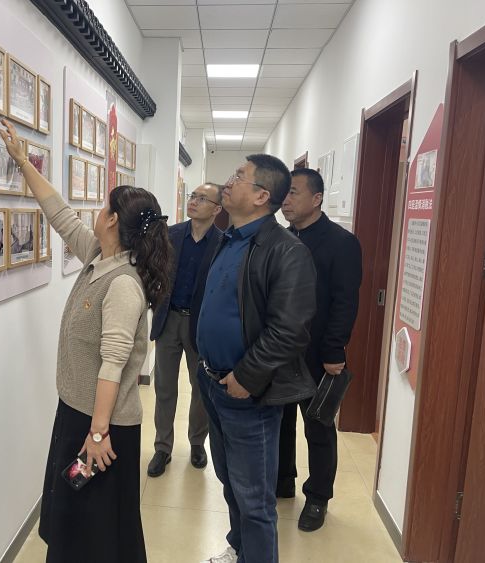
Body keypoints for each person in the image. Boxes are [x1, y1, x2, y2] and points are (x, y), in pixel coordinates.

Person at [0, 118, 171, 563]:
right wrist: (23, 161)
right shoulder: (99, 255)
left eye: (103, 206)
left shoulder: (122, 284)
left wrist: (97, 432)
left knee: (96, 539)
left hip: (102, 426)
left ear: (112, 220)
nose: (95, 211)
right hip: (78, 412)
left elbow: (112, 365)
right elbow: (61, 216)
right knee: (75, 529)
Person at [197, 155, 317, 563]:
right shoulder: (229, 239)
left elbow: (290, 330)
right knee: (230, 483)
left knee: (255, 500)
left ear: (262, 196)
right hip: (212, 383)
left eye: (239, 176)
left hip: (247, 394)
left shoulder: (286, 251)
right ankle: (240, 550)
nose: (229, 182)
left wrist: (246, 377)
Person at [277, 168, 362, 531]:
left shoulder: (341, 243)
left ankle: (317, 497)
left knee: (318, 426)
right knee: (279, 421)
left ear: (317, 199)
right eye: (284, 192)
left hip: (317, 353)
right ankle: (282, 481)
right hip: (279, 350)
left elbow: (345, 301)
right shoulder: (280, 238)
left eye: (293, 193)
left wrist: (334, 350)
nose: (286, 200)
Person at [147, 183, 223, 477]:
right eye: (193, 196)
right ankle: (162, 447)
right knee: (164, 387)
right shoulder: (171, 234)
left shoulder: (223, 242)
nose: (194, 201)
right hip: (169, 319)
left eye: (202, 199)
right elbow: (153, 268)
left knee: (201, 388)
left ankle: (197, 443)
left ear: (217, 209)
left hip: (200, 325)